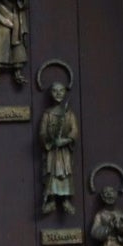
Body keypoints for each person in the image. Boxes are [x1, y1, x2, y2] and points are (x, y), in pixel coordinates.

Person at [38, 82, 78, 215]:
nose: (58, 93)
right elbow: (42, 132)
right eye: (55, 91)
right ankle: (52, 200)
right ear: (50, 93)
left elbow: (74, 131)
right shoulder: (47, 114)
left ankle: (66, 200)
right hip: (52, 150)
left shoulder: (69, 113)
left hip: (64, 151)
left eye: (61, 90)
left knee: (65, 173)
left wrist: (65, 140)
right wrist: (51, 141)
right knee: (52, 172)